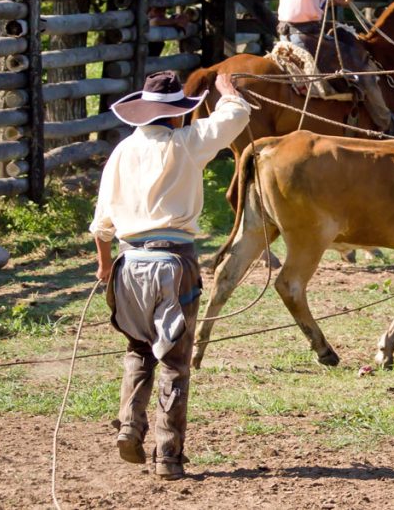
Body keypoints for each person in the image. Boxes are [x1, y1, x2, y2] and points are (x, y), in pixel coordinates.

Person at [89, 69, 250, 480]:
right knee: (175, 362)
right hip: (173, 263)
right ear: (177, 114)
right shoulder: (186, 143)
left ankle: (130, 424)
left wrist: (106, 265)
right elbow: (234, 119)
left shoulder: (122, 152)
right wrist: (228, 91)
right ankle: (168, 455)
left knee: (138, 349)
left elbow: (101, 221)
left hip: (128, 263)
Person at [277, 0, 394, 132]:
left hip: (303, 32)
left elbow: (308, 3)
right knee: (363, 70)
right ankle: (387, 126)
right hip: (303, 36)